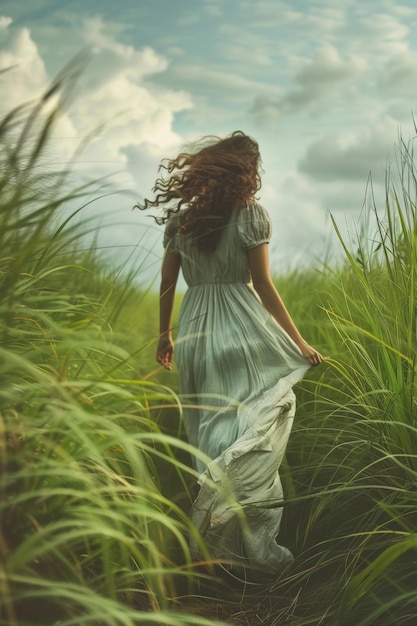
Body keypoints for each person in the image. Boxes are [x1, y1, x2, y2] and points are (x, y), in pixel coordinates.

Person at [137, 130, 323, 578]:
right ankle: (252, 555)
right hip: (243, 331)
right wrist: (297, 342)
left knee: (210, 436)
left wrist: (165, 335)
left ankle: (211, 553)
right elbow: (263, 286)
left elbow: (167, 285)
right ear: (246, 173)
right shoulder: (252, 216)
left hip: (197, 333)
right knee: (255, 429)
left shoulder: (180, 222)